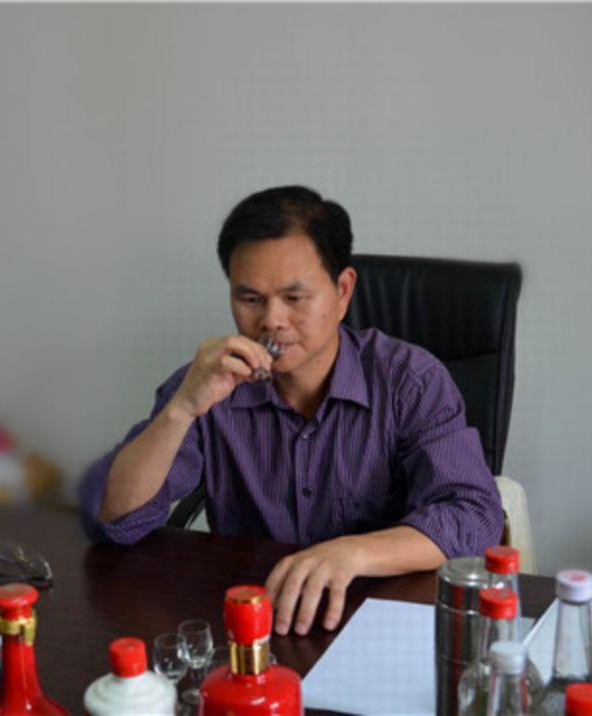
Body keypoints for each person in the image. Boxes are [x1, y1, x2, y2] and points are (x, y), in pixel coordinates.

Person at [79, 185, 503, 636]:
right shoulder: (209, 384)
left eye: (294, 299)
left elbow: (473, 514)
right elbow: (115, 521)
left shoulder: (410, 380)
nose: (272, 321)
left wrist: (353, 552)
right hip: (256, 624)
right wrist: (180, 410)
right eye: (251, 299)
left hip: (380, 623)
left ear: (342, 291)